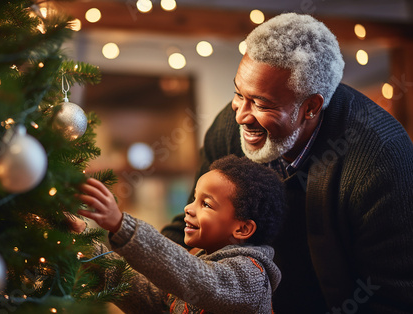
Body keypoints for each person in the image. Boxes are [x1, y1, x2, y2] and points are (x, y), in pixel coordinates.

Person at [161, 12, 413, 313]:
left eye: (261, 103)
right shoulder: (229, 129)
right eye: (238, 94)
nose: (240, 115)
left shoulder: (382, 158)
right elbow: (195, 225)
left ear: (311, 107)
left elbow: (393, 297)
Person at [76, 155, 285, 313]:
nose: (188, 208)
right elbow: (148, 296)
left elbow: (200, 280)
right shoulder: (200, 259)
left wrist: (122, 225)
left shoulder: (252, 276)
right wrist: (83, 243)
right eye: (194, 198)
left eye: (206, 204)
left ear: (242, 229)